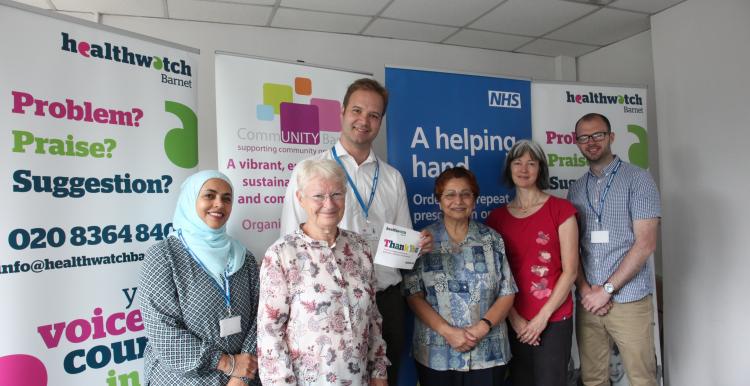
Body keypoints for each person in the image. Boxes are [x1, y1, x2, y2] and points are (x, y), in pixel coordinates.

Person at [279, 78, 431, 385]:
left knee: (384, 379)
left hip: (386, 301)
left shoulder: (392, 178)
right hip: (330, 304)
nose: (364, 120)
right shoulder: (309, 169)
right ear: (343, 112)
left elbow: (402, 248)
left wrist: (415, 248)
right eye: (357, 110)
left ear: (380, 122)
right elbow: (290, 243)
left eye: (374, 115)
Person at [258, 159, 389, 385]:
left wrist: (379, 372)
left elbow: (373, 318)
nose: (329, 204)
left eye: (337, 194)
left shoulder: (359, 248)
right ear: (300, 199)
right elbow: (270, 333)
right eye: (318, 196)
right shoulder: (281, 254)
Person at [138, 170, 260, 386]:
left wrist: (241, 374)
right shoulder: (164, 256)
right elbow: (162, 330)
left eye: (227, 198)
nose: (219, 204)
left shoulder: (244, 257)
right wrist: (227, 363)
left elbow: (261, 317)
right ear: (190, 199)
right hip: (182, 379)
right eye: (209, 195)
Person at [567, 113, 661, 386]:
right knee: (593, 378)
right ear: (577, 143)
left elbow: (646, 244)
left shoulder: (639, 179)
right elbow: (574, 248)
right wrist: (586, 290)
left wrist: (606, 290)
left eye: (598, 134)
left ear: (611, 137)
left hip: (628, 300)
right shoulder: (575, 189)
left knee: (642, 378)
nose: (591, 142)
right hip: (588, 304)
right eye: (584, 137)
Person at [402, 167, 517, 386]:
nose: (458, 201)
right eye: (450, 194)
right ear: (439, 201)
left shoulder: (492, 240)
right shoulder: (422, 241)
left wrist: (482, 327)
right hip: (437, 352)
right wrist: (448, 332)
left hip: (487, 352)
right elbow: (412, 295)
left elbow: (507, 292)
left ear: (474, 200)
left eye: (466, 194)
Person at [486, 139, 579, 386]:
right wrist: (515, 319)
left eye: (531, 163)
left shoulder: (561, 209)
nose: (524, 169)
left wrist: (541, 319)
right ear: (509, 169)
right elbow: (496, 277)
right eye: (517, 162)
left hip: (554, 317)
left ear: (541, 169)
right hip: (513, 319)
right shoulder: (496, 219)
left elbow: (570, 271)